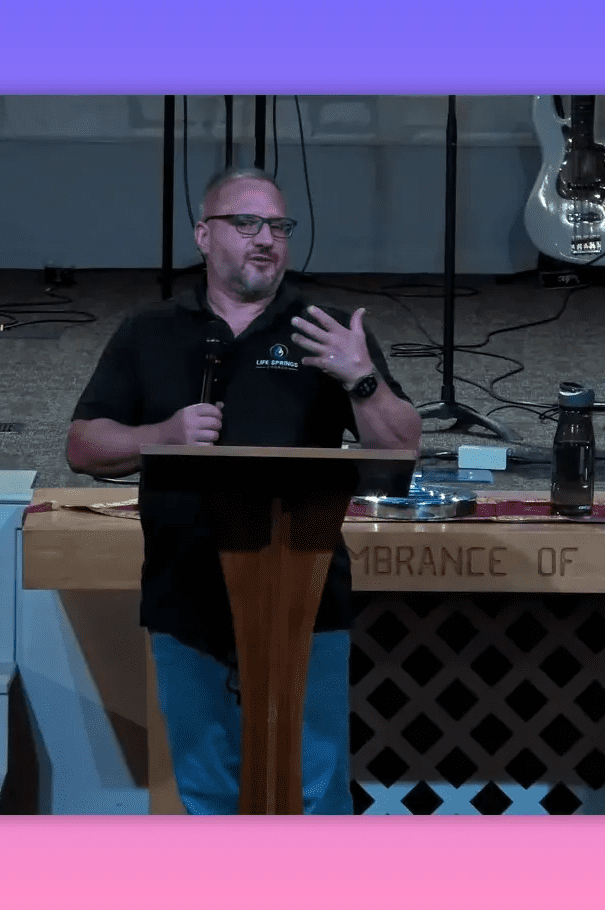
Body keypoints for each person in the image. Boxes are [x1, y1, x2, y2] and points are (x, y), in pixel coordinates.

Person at [66, 167, 421, 814]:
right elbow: (84, 446)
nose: (266, 239)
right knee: (207, 795)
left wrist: (363, 378)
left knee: (317, 793)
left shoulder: (327, 331)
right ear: (204, 235)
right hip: (185, 594)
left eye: (279, 227)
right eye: (246, 223)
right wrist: (162, 435)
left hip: (305, 596)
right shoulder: (151, 331)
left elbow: (400, 450)